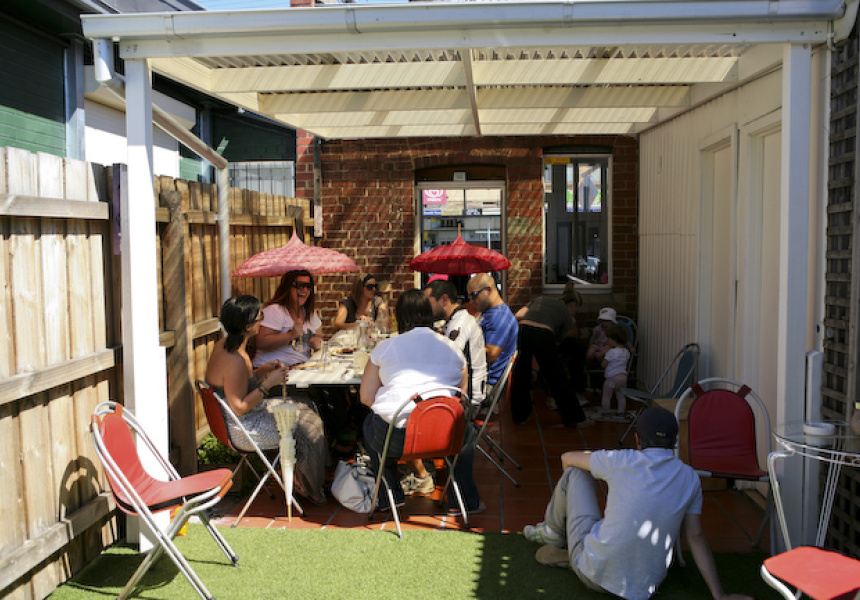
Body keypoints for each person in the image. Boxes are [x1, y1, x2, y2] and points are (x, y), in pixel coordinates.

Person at [522, 406, 754, 600]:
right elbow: (695, 536)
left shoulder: (621, 459)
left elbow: (567, 458)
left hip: (593, 576)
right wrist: (720, 595)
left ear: (637, 440)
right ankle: (583, 551)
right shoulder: (690, 477)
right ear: (675, 442)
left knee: (575, 472)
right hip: (646, 587)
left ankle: (555, 534)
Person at [360, 289, 483, 514]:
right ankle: (464, 500)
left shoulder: (385, 348)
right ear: (429, 313)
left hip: (399, 440)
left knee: (371, 424)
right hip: (445, 437)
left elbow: (366, 398)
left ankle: (389, 495)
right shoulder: (453, 348)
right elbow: (461, 395)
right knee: (465, 430)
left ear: (399, 316)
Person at [205, 295, 328, 505]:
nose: (262, 320)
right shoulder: (235, 359)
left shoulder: (224, 345)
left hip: (241, 419)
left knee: (308, 405)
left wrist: (261, 370)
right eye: (259, 316)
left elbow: (236, 383)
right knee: (310, 426)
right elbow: (239, 407)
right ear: (247, 326)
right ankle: (309, 487)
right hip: (245, 428)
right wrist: (268, 383)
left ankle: (304, 473)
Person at [397, 279, 488, 496]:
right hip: (459, 392)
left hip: (468, 400)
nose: (424, 307)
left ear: (444, 300)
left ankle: (421, 471)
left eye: (427, 301)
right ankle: (422, 465)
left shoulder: (460, 324)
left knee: (404, 408)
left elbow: (446, 359)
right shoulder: (455, 320)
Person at [511, 289, 593, 428]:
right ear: (572, 305)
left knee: (521, 374)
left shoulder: (540, 299)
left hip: (523, 330)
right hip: (543, 333)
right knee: (557, 377)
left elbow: (518, 315)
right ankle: (575, 418)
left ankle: (520, 416)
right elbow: (558, 339)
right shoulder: (567, 315)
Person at [253, 269, 323, 368]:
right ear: (287, 287)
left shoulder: (309, 313)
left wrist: (317, 341)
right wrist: (290, 335)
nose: (304, 290)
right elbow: (261, 342)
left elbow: (319, 335)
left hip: (301, 368)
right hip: (274, 370)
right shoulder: (275, 310)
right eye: (299, 285)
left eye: (308, 286)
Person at [466, 273, 518, 393]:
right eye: (469, 297)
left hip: (485, 385)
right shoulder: (489, 312)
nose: (471, 301)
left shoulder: (500, 317)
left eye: (474, 296)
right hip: (477, 379)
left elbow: (490, 355)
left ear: (488, 290)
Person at [598, 325, 630, 419]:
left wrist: (603, 355)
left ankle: (606, 412)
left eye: (609, 338)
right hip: (623, 378)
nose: (607, 341)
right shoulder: (626, 352)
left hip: (612, 379)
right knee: (621, 396)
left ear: (614, 340)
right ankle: (620, 412)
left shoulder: (611, 352)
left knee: (606, 396)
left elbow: (603, 364)